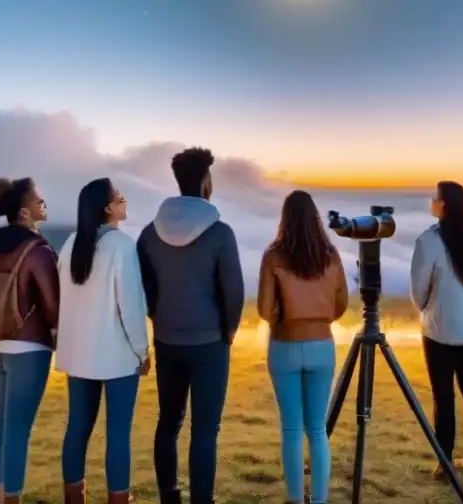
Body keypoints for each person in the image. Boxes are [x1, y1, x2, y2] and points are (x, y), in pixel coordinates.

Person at [137, 147, 245, 504]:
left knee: (168, 422)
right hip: (210, 344)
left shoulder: (149, 234)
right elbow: (233, 288)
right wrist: (229, 328)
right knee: (205, 430)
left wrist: (159, 317)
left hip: (167, 339)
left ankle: (169, 495)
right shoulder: (220, 233)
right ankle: (202, 499)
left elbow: (144, 287)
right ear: (204, 182)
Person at [56, 178, 150, 504]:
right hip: (116, 355)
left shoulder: (70, 244)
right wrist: (143, 351)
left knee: (77, 427)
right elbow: (132, 307)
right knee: (118, 432)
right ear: (108, 207)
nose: (125, 202)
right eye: (120, 198)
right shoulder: (121, 245)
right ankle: (119, 498)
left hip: (77, 354)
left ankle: (74, 497)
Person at [257, 190, 349, 504]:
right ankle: (319, 499)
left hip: (284, 345)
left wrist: (285, 320)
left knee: (292, 430)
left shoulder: (273, 255)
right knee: (317, 430)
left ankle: (296, 499)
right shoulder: (330, 254)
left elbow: (265, 309)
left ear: (285, 219)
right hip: (322, 345)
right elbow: (341, 304)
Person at [410, 181, 463, 480]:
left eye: (434, 199)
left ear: (444, 204)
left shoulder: (429, 240)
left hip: (442, 328)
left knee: (443, 396)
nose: (431, 203)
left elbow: (418, 289)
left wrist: (428, 309)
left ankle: (444, 463)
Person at [0, 178, 60, 504]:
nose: (44, 205)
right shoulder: (37, 249)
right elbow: (54, 303)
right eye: (40, 201)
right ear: (25, 211)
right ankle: (11, 500)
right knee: (17, 431)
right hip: (28, 348)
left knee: (0, 426)